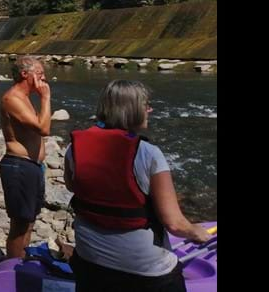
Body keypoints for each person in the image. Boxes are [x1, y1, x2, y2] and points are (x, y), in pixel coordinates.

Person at [64, 79, 211, 292]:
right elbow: (175, 225)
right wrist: (197, 232)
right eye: (146, 104)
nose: (150, 109)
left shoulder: (73, 149)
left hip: (90, 262)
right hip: (144, 272)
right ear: (131, 110)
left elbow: (71, 186)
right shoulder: (149, 154)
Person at [0, 55, 51, 259]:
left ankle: (22, 263)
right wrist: (46, 98)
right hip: (19, 167)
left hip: (32, 167)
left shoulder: (26, 99)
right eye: (39, 74)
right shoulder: (12, 99)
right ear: (24, 74)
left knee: (29, 221)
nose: (44, 79)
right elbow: (44, 128)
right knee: (20, 225)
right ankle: (12, 269)